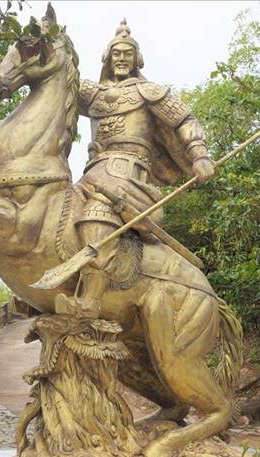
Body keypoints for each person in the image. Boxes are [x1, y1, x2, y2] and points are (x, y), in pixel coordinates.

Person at [70, 19, 216, 318]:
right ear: (107, 58)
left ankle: (91, 301)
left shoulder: (151, 92)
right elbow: (58, 84)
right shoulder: (92, 93)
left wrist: (199, 155)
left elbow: (184, 121)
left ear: (137, 58)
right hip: (92, 173)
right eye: (116, 53)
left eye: (127, 53)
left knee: (99, 210)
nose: (121, 58)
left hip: (131, 180)